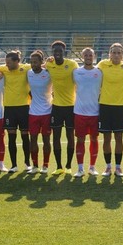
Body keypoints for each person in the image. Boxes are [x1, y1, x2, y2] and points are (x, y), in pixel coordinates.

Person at [97, 43, 123, 177]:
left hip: (119, 107)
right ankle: (107, 167)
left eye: (119, 53)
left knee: (119, 138)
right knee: (106, 138)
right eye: (114, 52)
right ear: (109, 54)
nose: (116, 55)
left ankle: (118, 167)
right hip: (105, 106)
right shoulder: (102, 64)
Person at [0, 50, 31, 173]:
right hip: (9, 108)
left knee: (25, 136)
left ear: (17, 61)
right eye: (6, 62)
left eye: (9, 62)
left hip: (24, 107)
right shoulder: (3, 69)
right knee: (11, 137)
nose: (7, 65)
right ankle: (14, 165)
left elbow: (41, 66)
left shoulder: (26, 68)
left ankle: (27, 163)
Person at [45, 40, 78, 174]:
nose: (57, 53)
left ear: (64, 52)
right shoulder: (49, 64)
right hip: (56, 107)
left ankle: (69, 166)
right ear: (52, 52)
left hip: (71, 106)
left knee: (70, 136)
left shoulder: (72, 64)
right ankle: (59, 167)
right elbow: (38, 67)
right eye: (55, 51)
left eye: (60, 51)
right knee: (56, 137)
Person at [72, 47, 102, 178]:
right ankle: (80, 168)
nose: (88, 57)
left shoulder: (100, 72)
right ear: (82, 57)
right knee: (80, 139)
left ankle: (92, 167)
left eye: (91, 55)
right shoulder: (76, 72)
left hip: (95, 112)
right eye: (86, 55)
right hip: (79, 112)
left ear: (94, 57)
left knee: (94, 139)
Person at [27, 50, 52, 174]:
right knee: (33, 139)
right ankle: (35, 165)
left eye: (35, 62)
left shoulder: (48, 73)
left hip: (47, 111)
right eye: (31, 62)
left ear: (41, 62)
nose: (33, 64)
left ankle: (45, 165)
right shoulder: (28, 73)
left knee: (46, 139)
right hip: (33, 112)